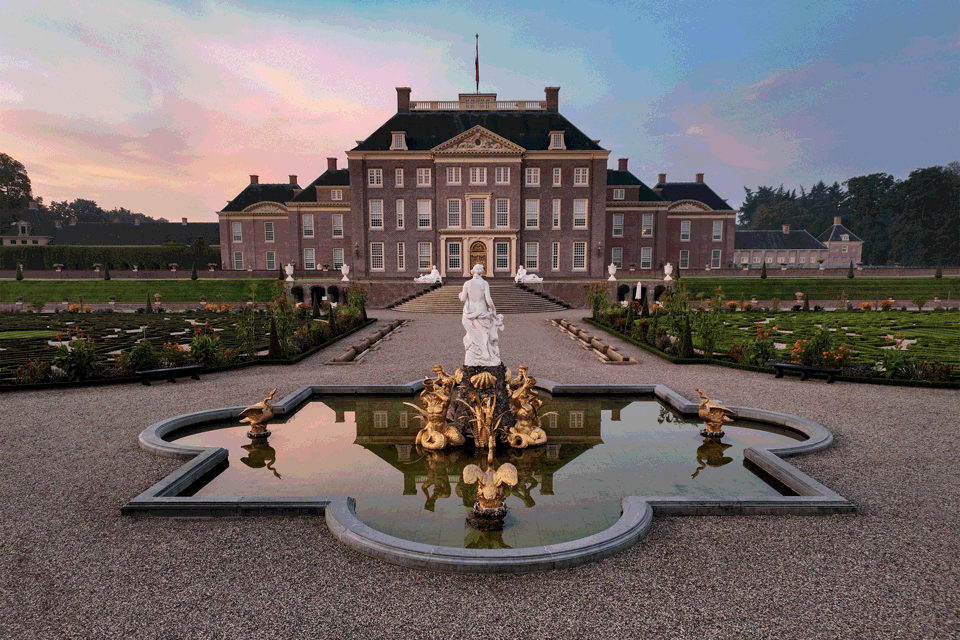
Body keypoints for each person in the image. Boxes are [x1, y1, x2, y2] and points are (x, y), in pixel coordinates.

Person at [459, 264, 504, 366]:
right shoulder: (484, 283)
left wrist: (460, 295)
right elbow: (488, 299)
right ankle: (486, 357)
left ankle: (473, 359)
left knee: (472, 336)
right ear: (481, 272)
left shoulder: (467, 283)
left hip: (470, 312)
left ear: (473, 272)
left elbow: (463, 299)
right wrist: (493, 309)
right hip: (482, 310)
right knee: (484, 334)